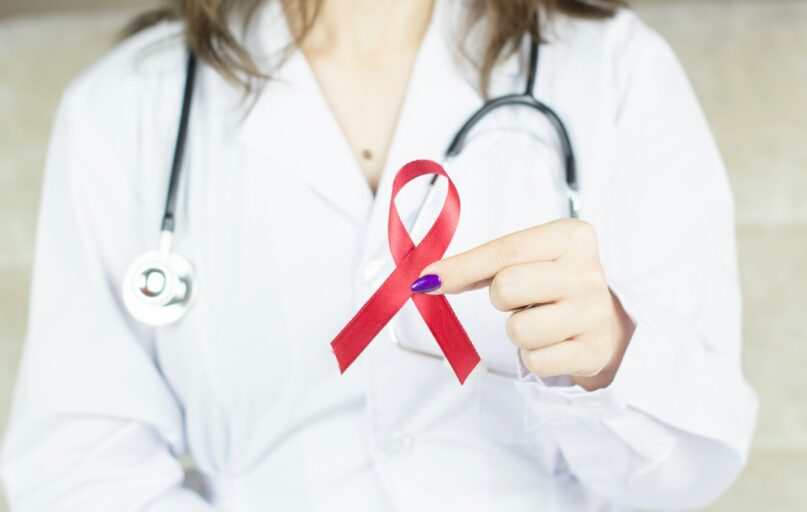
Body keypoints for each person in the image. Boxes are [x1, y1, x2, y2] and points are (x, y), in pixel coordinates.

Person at [0, 0, 758, 510]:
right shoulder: (128, 103)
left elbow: (691, 471)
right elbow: (76, 467)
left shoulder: (616, 68)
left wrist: (611, 357)